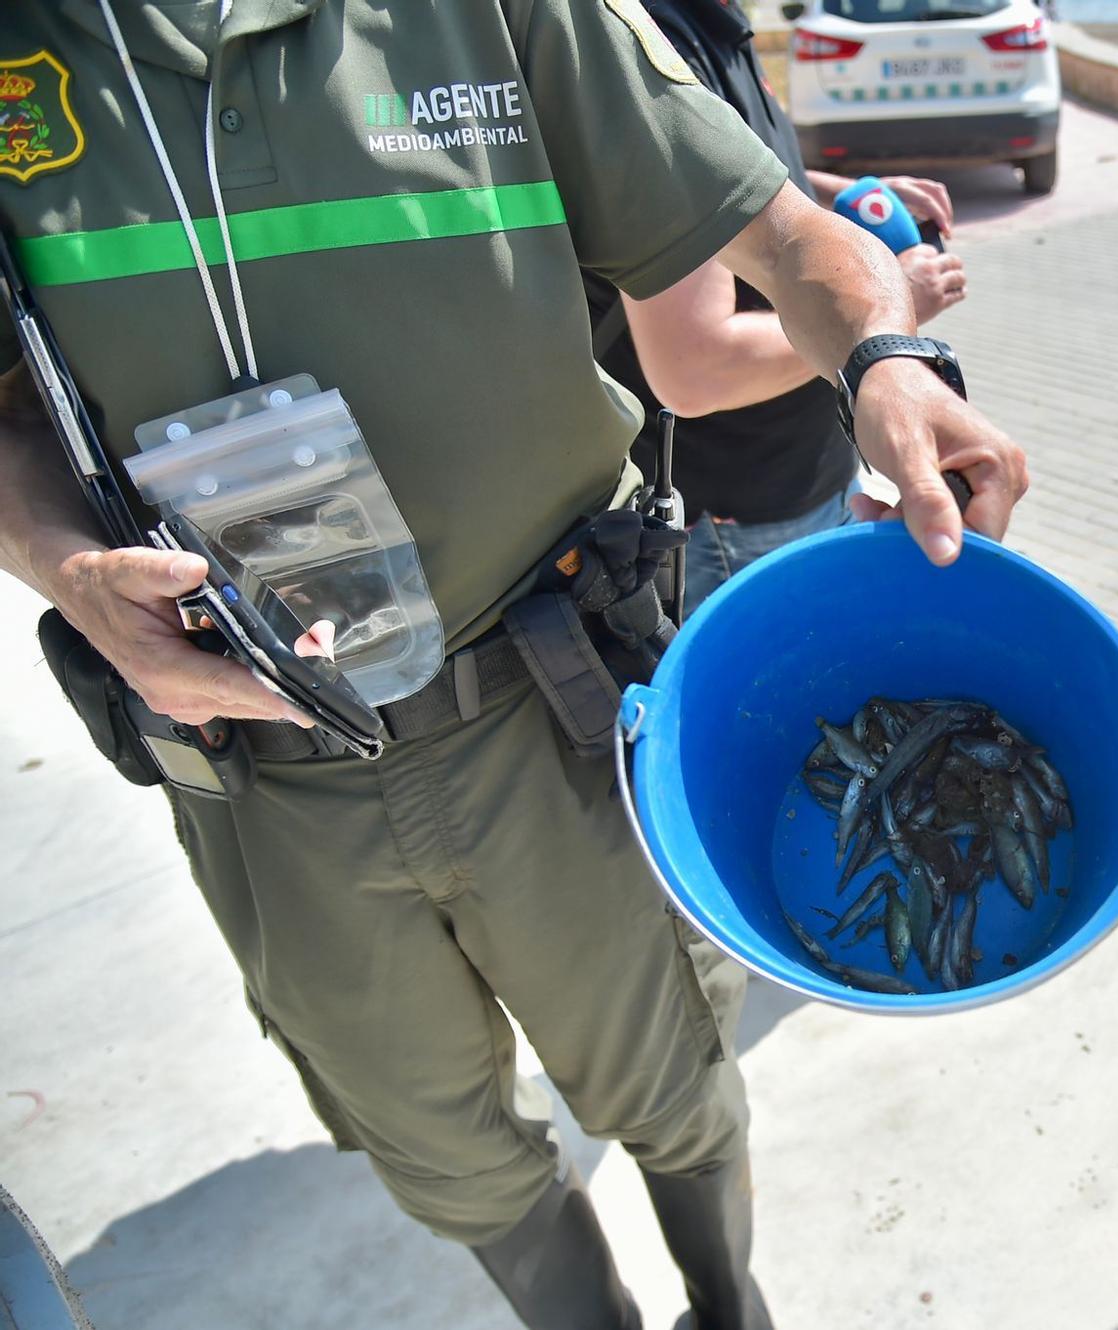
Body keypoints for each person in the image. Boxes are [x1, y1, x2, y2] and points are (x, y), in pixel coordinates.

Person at [0, 4, 1026, 1328]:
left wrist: (886, 355)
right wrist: (65, 567)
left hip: (556, 709)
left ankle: (730, 1304)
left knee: (672, 1073)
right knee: (442, 1145)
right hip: (257, 768)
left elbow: (777, 233)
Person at [586, 0, 969, 614]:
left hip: (801, 476)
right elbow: (696, 365)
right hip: (739, 511)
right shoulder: (659, 47)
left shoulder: (717, 25)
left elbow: (740, 174)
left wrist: (843, 192)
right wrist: (886, 317)